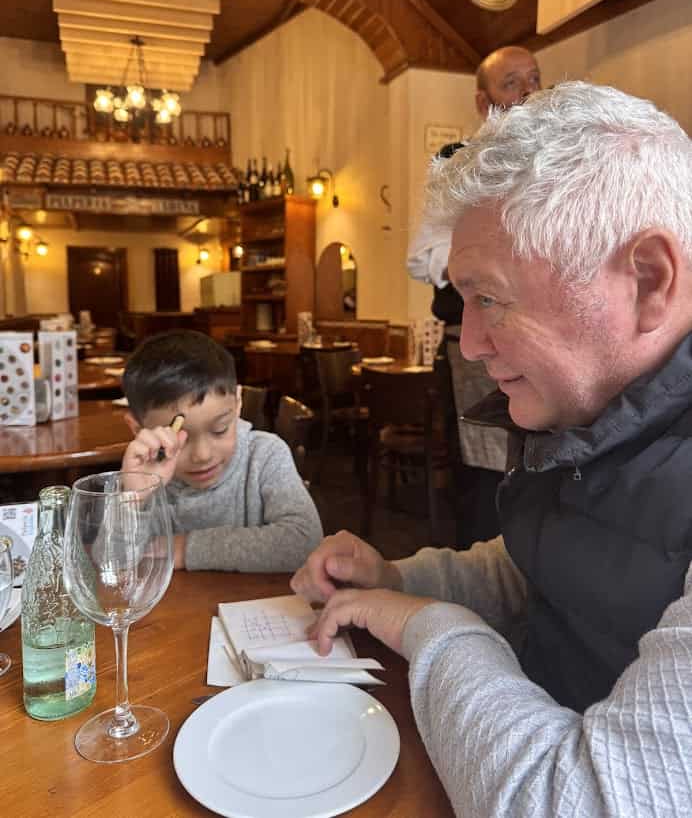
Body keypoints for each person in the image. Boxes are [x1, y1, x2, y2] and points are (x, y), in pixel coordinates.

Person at [293, 82, 692, 817]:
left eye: (491, 298)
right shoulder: (594, 415)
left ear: (647, 281)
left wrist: (429, 625)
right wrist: (399, 575)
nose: (470, 343)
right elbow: (545, 563)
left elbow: (580, 803)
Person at [407, 46, 542, 546]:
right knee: (485, 474)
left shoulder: (556, 161)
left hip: (543, 339)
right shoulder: (455, 164)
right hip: (475, 343)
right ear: (484, 102)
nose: (529, 91)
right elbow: (422, 256)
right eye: (513, 83)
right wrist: (488, 264)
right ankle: (477, 588)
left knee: (545, 470)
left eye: (534, 78)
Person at [121, 330, 323, 572]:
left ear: (237, 402)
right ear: (137, 428)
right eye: (179, 439)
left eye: (220, 429)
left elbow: (305, 541)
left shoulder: (265, 455)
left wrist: (187, 548)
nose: (203, 455)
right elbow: (111, 563)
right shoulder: (147, 470)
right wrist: (131, 500)